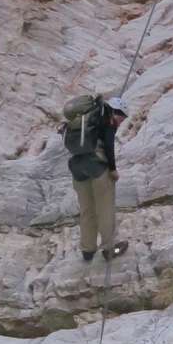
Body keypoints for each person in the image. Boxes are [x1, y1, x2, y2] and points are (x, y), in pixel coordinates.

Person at [60, 93, 129, 263]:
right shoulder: (107, 119)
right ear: (117, 112)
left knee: (87, 210)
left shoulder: (86, 118)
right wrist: (113, 169)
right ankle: (109, 249)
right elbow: (109, 146)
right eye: (123, 117)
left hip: (77, 168)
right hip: (97, 167)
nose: (122, 121)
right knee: (105, 209)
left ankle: (87, 250)